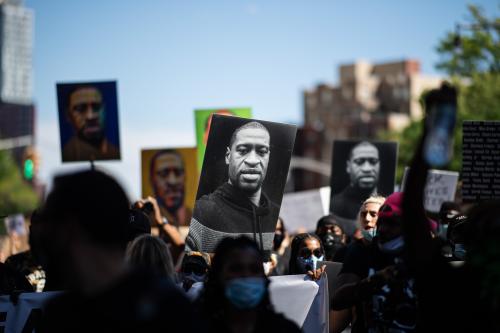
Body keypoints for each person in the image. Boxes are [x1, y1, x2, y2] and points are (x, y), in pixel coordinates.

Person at [36, 170, 199, 333]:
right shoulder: (59, 314)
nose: (44, 239)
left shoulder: (164, 308)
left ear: (71, 230)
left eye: (51, 227)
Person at [186, 121, 279, 257]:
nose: (252, 161)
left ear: (268, 157)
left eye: (261, 152)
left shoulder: (277, 216)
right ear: (228, 156)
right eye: (243, 151)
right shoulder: (202, 212)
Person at [332, 192, 418, 333]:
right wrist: (376, 280)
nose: (383, 228)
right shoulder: (361, 251)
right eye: (381, 223)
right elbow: (338, 302)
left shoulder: (424, 256)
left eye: (391, 223)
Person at [198, 236, 301, 333]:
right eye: (236, 269)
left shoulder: (284, 330)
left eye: (254, 269)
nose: (246, 275)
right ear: (218, 274)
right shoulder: (195, 327)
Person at [331, 142, 380, 235]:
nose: (367, 168)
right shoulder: (335, 205)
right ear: (348, 166)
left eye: (373, 161)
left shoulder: (387, 202)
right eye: (359, 162)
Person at [62, 86, 119, 161]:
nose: (90, 116)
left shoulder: (115, 152)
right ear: (68, 115)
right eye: (80, 108)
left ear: (104, 110)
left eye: (96, 107)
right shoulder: (67, 154)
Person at [149, 149, 192, 227]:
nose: (172, 181)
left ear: (185, 177)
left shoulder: (198, 220)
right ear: (152, 180)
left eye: (178, 173)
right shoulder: (147, 222)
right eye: (163, 174)